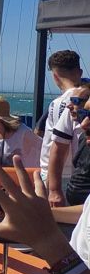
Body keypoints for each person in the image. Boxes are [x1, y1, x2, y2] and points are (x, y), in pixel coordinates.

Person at [42, 50, 85, 207]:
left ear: (55, 76)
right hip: (77, 173)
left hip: (61, 176)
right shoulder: (83, 99)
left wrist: (53, 189)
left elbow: (57, 146)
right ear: (79, 72)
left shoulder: (59, 104)